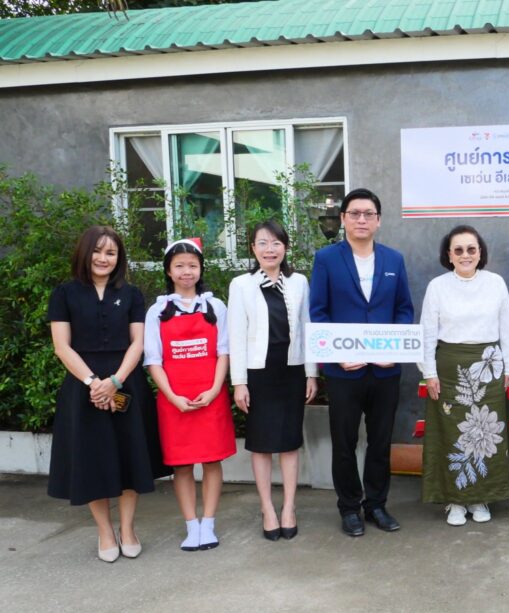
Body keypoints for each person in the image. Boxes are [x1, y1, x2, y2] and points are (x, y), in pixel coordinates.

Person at [47, 226, 166, 563]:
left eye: (111, 253)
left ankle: (127, 529)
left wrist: (115, 381)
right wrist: (93, 383)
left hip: (126, 382)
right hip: (82, 386)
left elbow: (138, 343)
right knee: (92, 462)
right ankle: (105, 531)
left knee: (129, 458)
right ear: (85, 253)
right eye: (98, 251)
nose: (103, 258)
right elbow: (62, 346)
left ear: (119, 258)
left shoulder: (131, 294)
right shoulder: (64, 294)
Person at [309, 188, 415, 537]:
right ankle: (349, 507)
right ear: (343, 219)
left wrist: (394, 349)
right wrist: (337, 353)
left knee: (380, 442)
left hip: (385, 370)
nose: (361, 219)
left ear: (378, 220)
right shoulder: (326, 259)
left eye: (368, 214)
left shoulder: (393, 260)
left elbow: (403, 309)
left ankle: (377, 505)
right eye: (354, 213)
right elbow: (318, 312)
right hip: (344, 371)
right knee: (344, 442)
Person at [228, 221, 319, 541]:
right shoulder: (241, 285)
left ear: (286, 247)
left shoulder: (299, 282)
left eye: (276, 243)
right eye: (263, 243)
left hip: (292, 371)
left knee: (290, 443)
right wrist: (239, 382)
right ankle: (267, 508)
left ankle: (289, 507)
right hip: (258, 374)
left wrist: (311, 372)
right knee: (262, 444)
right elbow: (236, 335)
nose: (270, 249)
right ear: (253, 248)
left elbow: (308, 328)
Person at [420, 226, 509, 526]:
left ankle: (480, 498)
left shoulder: (495, 283)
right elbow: (427, 332)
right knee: (452, 433)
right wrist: (429, 372)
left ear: (480, 252)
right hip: (449, 368)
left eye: (471, 249)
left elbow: (507, 328)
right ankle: (455, 501)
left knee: (486, 434)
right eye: (458, 250)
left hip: (489, 367)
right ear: (449, 255)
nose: (465, 255)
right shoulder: (437, 286)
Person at [144, 238, 236, 551]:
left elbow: (224, 352)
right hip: (174, 400)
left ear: (201, 269)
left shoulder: (215, 306)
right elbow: (153, 360)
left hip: (211, 396)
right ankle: (191, 525)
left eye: (192, 266)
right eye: (180, 266)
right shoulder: (157, 311)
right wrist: (172, 396)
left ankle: (208, 523)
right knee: (181, 466)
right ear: (168, 271)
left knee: (211, 461)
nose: (187, 272)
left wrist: (214, 390)